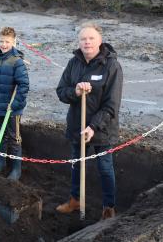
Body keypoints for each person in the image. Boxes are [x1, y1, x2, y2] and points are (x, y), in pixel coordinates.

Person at [56, 22, 123, 219]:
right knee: (77, 164)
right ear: (79, 42)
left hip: (102, 129)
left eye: (91, 38)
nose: (87, 42)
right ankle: (75, 200)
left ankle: (109, 208)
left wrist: (93, 127)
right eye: (83, 39)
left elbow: (112, 105)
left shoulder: (111, 66)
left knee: (104, 167)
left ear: (100, 41)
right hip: (77, 125)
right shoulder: (73, 63)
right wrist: (75, 92)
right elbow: (61, 91)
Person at [0, 27, 29, 181]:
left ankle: (16, 169)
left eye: (7, 42)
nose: (4, 44)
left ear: (14, 42)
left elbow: (24, 86)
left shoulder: (17, 62)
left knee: (14, 138)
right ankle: (1, 163)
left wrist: (16, 104)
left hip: (13, 109)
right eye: (1, 41)